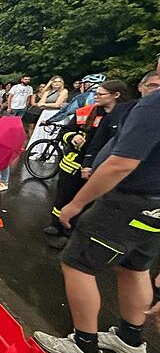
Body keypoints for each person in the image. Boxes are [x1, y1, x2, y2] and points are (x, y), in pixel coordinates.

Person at [33, 77, 160, 353]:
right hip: (154, 205)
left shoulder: (153, 105)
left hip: (128, 200)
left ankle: (84, 345)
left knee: (77, 263)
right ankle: (130, 338)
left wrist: (77, 204)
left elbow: (121, 163)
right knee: (134, 267)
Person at [45, 80, 129, 249]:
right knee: (64, 196)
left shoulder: (125, 117)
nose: (95, 96)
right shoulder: (85, 112)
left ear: (116, 95)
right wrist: (72, 137)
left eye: (100, 94)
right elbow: (64, 132)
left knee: (86, 202)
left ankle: (71, 234)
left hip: (99, 166)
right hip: (73, 163)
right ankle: (56, 224)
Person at [27, 76, 69, 158]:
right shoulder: (48, 92)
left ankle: (52, 152)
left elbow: (57, 104)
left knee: (52, 133)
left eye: (59, 81)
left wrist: (45, 105)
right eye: (54, 82)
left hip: (56, 113)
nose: (57, 83)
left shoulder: (64, 91)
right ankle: (39, 151)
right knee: (41, 132)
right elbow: (40, 103)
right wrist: (48, 85)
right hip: (45, 113)